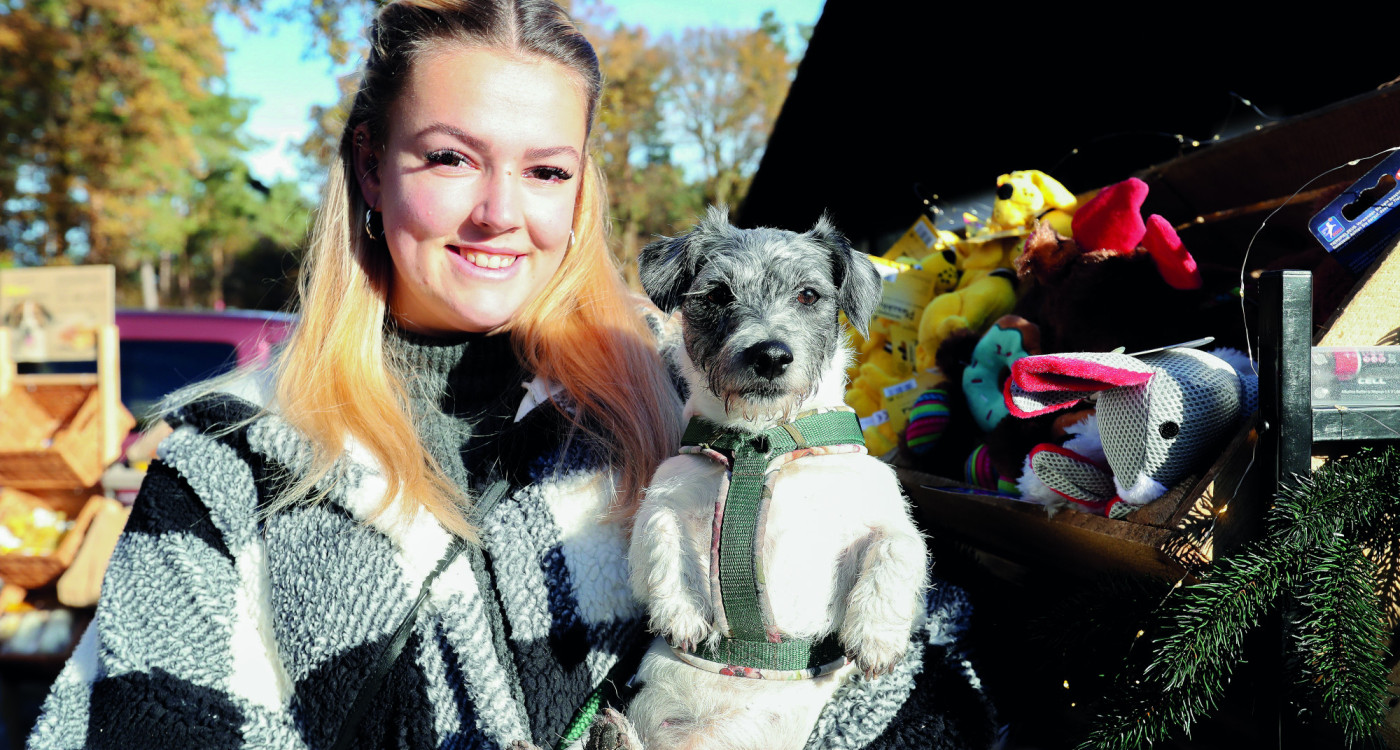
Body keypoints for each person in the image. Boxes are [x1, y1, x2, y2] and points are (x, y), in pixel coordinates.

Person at [28, 2, 995, 748]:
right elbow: (153, 722)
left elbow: (916, 664)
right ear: (370, 166)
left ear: (580, 189)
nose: (500, 211)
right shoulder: (231, 456)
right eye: (450, 157)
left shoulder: (668, 406)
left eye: (544, 171)